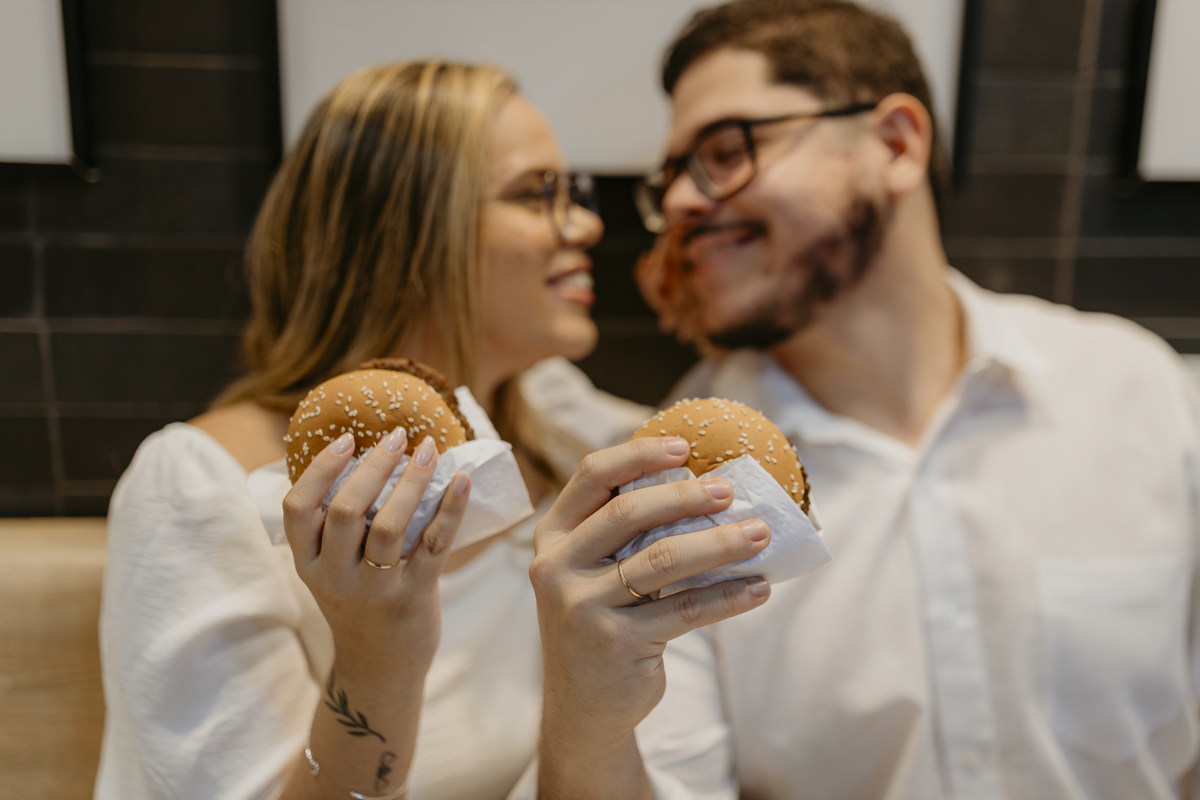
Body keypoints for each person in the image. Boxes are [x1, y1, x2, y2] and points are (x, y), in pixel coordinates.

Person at [529, 1, 1200, 798]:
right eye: (671, 176)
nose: (679, 204)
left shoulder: (1139, 392)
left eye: (726, 151)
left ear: (896, 144)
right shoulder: (672, 497)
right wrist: (586, 716)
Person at [95, 59, 667, 800]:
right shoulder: (203, 486)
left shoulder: (566, 444)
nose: (587, 223)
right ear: (407, 233)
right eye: (536, 194)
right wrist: (377, 665)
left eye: (573, 193)